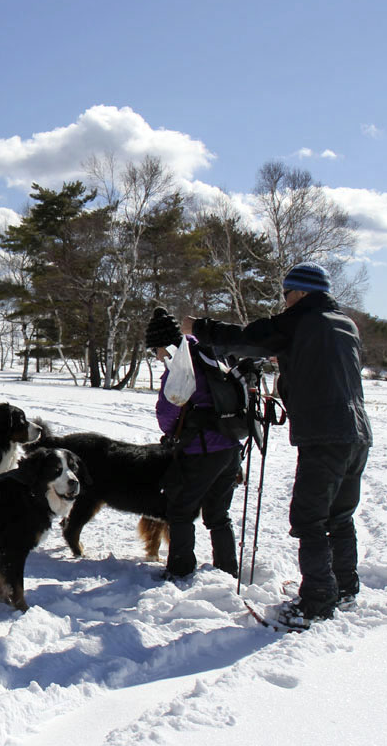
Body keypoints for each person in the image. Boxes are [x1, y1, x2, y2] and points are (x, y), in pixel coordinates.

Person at [182, 261, 372, 629]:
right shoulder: (345, 324)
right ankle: (344, 586)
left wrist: (198, 329)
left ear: (299, 292)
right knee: (340, 514)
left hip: (324, 434)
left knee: (309, 519)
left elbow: (248, 337)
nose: (285, 303)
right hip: (358, 432)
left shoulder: (301, 318)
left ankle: (317, 602)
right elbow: (323, 370)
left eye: (287, 296)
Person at [145, 307, 243, 580]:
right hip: (231, 446)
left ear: (164, 345)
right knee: (218, 514)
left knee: (180, 511)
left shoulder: (180, 366)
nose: (156, 356)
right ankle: (227, 568)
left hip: (201, 449)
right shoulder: (209, 354)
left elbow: (168, 414)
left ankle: (180, 569)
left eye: (155, 350)